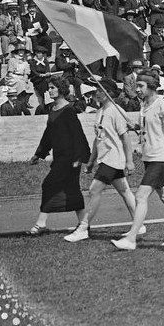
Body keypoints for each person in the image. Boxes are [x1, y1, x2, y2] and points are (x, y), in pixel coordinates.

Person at [112, 72, 164, 250]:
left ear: (151, 87)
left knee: (140, 196)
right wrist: (137, 127)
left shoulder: (162, 104)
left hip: (160, 158)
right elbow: (150, 127)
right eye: (137, 86)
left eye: (140, 86)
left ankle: (131, 238)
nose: (137, 89)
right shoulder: (144, 105)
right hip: (149, 156)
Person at [64, 79, 142, 243]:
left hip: (113, 159)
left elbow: (125, 138)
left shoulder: (116, 111)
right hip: (103, 158)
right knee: (124, 191)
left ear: (108, 93)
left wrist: (130, 161)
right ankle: (139, 224)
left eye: (99, 90)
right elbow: (97, 139)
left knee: (94, 190)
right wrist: (91, 161)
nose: (95, 93)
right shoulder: (99, 112)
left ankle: (83, 228)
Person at [26, 78, 88, 235]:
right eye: (49, 88)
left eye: (52, 88)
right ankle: (84, 223)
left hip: (71, 158)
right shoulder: (52, 109)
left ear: (60, 89)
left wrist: (78, 159)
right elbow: (48, 135)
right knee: (72, 190)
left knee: (49, 185)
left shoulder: (69, 110)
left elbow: (78, 135)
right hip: (59, 157)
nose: (49, 91)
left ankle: (41, 224)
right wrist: (38, 154)